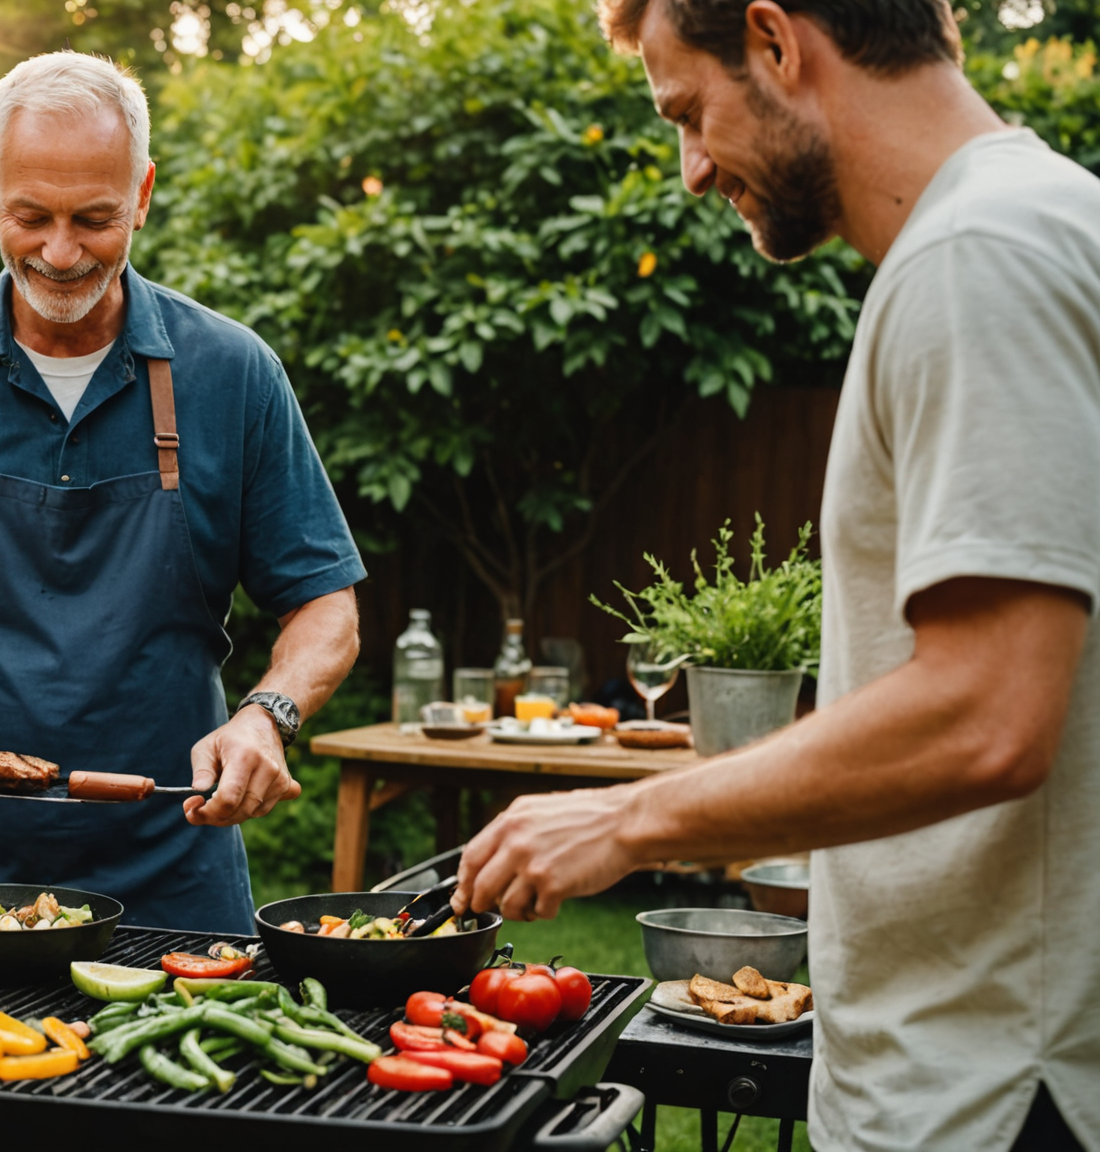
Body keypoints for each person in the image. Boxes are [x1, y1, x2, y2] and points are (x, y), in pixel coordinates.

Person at [449, 2, 1100, 1148]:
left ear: (776, 40)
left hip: (1001, 1083)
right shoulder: (1034, 221)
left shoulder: (977, 257)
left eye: (689, 112)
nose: (693, 171)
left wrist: (631, 818)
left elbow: (987, 715)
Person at [0, 52, 364, 933]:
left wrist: (268, 714)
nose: (60, 253)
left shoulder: (233, 373)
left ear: (142, 194)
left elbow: (326, 607)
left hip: (173, 870)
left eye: (94, 218)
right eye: (31, 216)